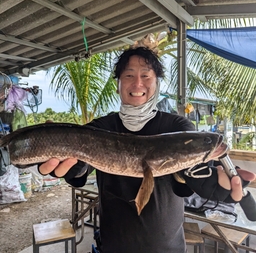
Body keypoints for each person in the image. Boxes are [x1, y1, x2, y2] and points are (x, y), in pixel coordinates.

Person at [38, 47, 255, 253]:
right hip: (113, 246)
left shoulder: (179, 128)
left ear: (157, 83)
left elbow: (186, 179)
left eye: (146, 76)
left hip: (167, 248)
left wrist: (204, 181)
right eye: (129, 75)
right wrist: (70, 169)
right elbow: (79, 171)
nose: (138, 83)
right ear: (118, 84)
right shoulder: (100, 128)